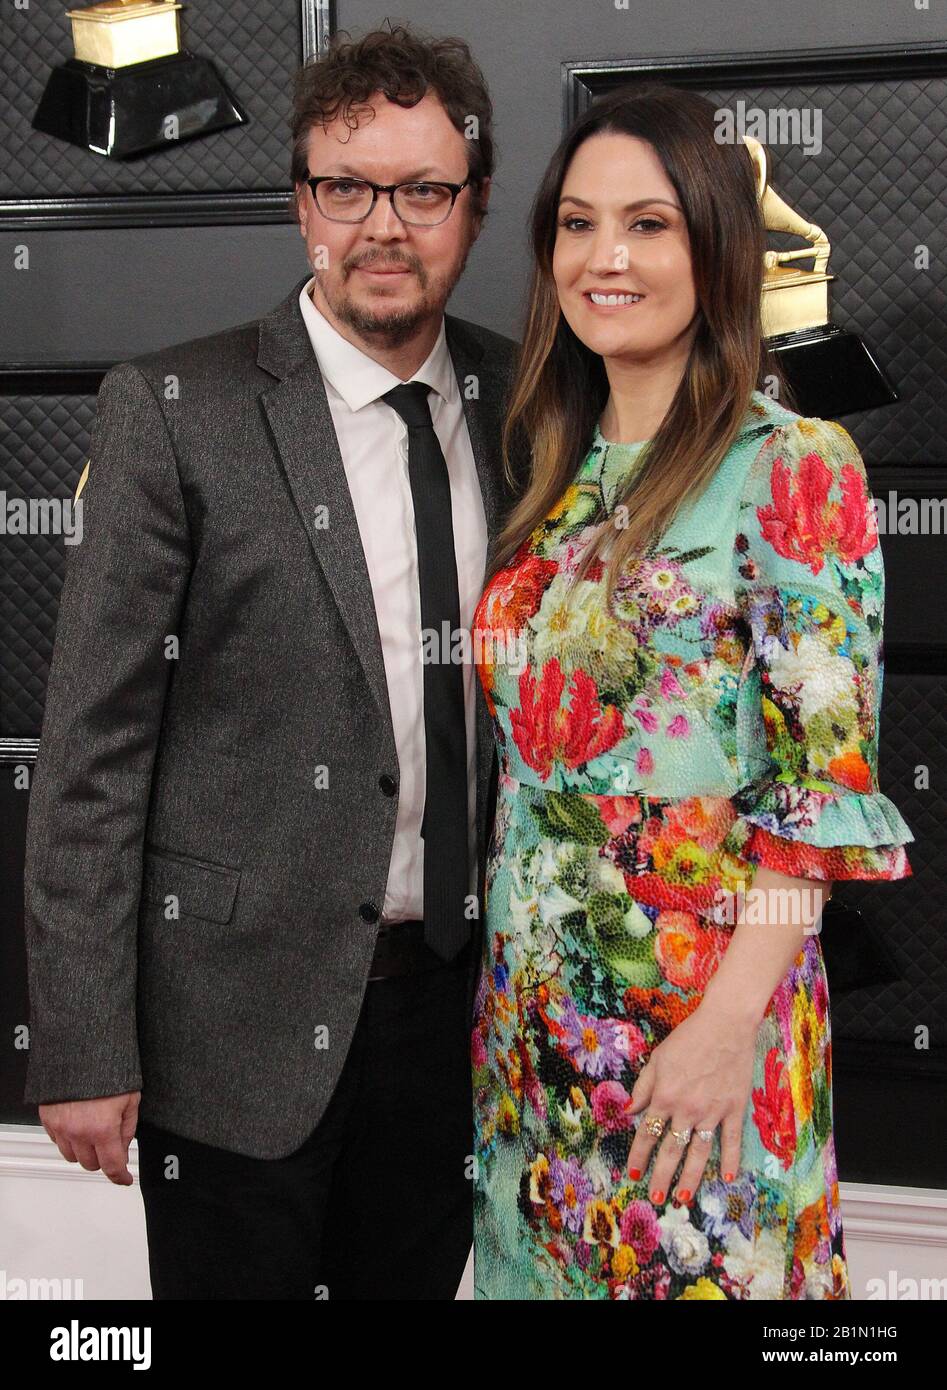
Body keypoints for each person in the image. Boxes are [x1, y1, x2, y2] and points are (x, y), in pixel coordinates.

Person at [22, 24, 518, 1300]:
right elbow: (90, 752)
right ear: (301, 202)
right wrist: (81, 1041)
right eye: (345, 187)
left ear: (473, 205)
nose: (382, 226)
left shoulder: (533, 406)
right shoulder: (174, 409)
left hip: (456, 1020)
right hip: (230, 1028)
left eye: (422, 189)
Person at [469, 82, 915, 1300]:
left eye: (647, 224)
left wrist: (726, 1029)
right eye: (574, 223)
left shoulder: (792, 466)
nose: (602, 258)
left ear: (715, 246)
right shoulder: (550, 484)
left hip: (700, 1040)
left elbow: (816, 793)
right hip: (534, 1043)